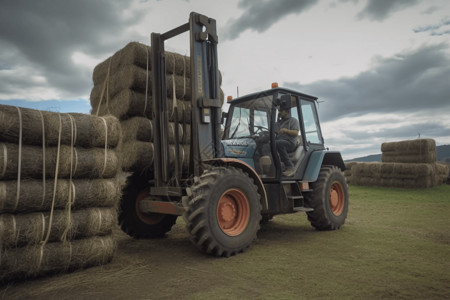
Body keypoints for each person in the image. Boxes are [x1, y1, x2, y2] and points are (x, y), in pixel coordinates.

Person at [275, 107, 299, 177]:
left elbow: (296, 133)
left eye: (281, 110)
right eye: (278, 111)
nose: (279, 112)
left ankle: (290, 167)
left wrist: (286, 131)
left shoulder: (293, 120)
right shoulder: (277, 123)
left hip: (291, 143)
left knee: (278, 143)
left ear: (287, 111)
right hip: (280, 141)